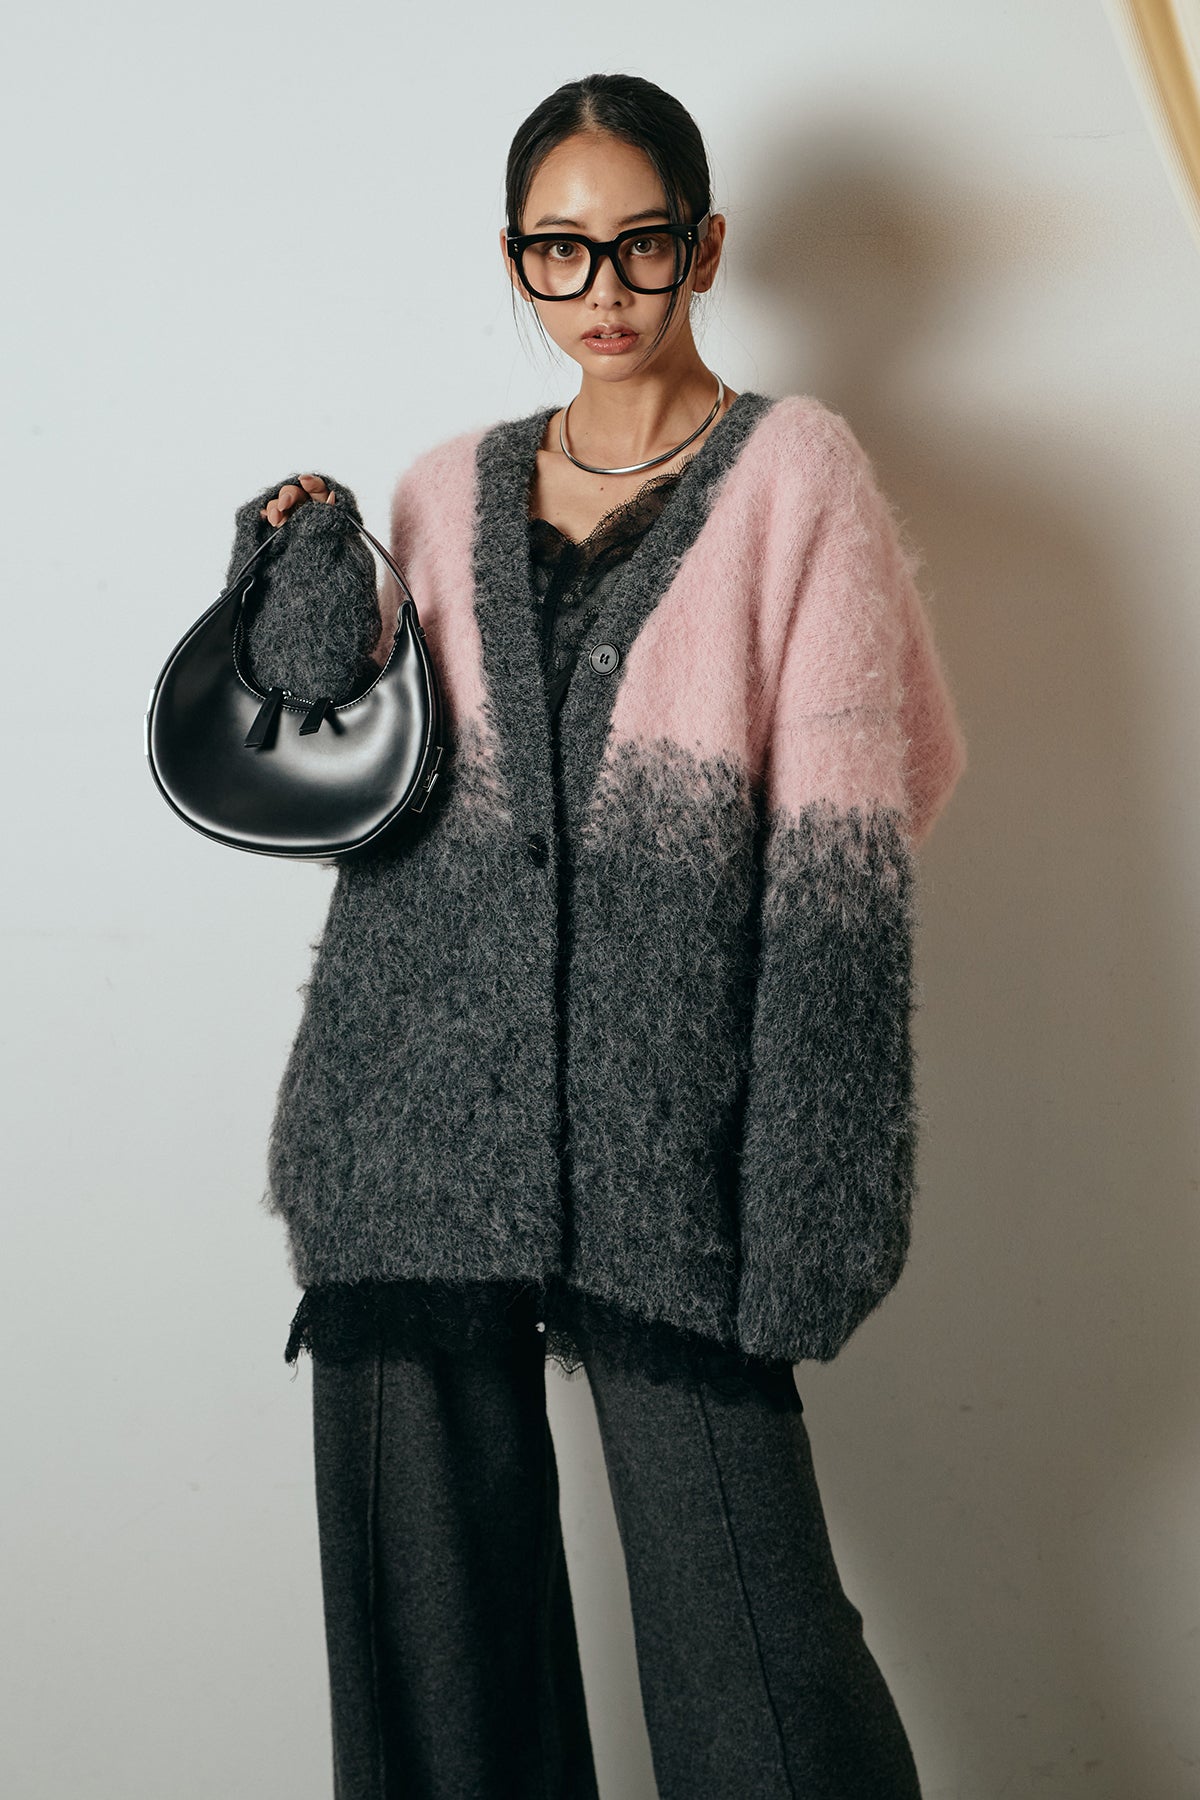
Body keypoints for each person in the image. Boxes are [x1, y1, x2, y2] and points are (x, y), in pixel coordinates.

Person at [224, 70, 967, 1800]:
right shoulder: (440, 487)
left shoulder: (796, 476)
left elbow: (856, 847)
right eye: (560, 251)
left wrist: (814, 1193)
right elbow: (317, 721)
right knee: (435, 1681)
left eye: (641, 243)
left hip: (668, 1147)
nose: (604, 287)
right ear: (516, 261)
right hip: (409, 1130)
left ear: (704, 245)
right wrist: (298, 548)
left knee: (761, 1673)